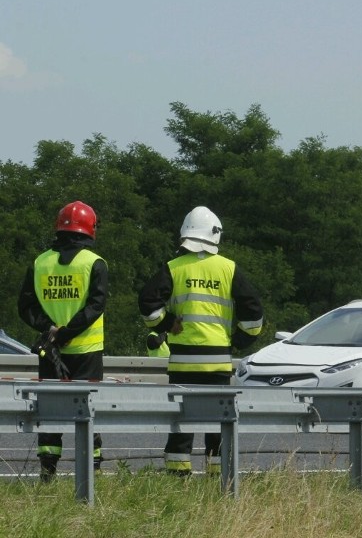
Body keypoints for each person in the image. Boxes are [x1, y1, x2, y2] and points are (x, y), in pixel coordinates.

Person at [138, 206, 264, 476]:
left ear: (185, 234)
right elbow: (254, 314)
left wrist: (166, 323)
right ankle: (218, 480)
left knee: (181, 423)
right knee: (218, 425)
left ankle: (177, 477)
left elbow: (148, 305)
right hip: (218, 363)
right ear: (215, 235)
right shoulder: (228, 269)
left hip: (183, 363)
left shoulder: (173, 268)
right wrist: (238, 341)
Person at [17, 201, 108, 481]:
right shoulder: (94, 263)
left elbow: (25, 307)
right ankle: (90, 475)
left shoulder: (39, 262)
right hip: (87, 352)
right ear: (90, 228)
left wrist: (51, 330)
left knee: (51, 414)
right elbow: (96, 306)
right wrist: (68, 332)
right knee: (88, 414)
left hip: (50, 350)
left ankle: (47, 474)